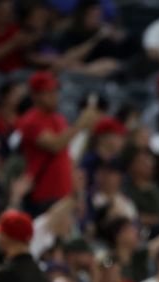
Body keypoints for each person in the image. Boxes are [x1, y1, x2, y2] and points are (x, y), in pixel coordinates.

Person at [16, 71, 101, 216]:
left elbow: (66, 156)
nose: (54, 96)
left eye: (55, 91)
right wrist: (80, 124)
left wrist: (78, 194)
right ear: (35, 95)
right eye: (48, 92)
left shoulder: (59, 118)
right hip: (43, 195)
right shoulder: (31, 120)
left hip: (64, 194)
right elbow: (55, 145)